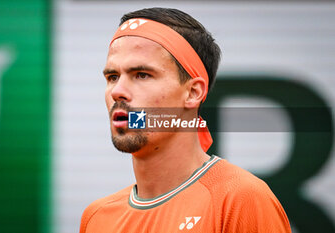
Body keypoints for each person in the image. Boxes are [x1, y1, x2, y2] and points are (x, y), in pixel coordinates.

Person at [80, 7, 292, 233]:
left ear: (193, 93)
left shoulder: (241, 200)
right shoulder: (96, 218)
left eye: (142, 75)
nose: (117, 91)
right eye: (113, 77)